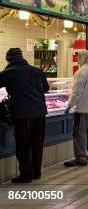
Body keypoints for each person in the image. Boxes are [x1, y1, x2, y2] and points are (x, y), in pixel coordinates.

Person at [0, 48, 49, 183]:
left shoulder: (8, 72)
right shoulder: (37, 71)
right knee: (37, 143)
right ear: (22, 57)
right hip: (40, 112)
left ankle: (26, 175)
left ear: (8, 59)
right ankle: (36, 172)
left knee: (24, 145)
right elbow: (46, 89)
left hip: (22, 113)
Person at [64, 51, 88, 167]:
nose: (77, 59)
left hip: (82, 109)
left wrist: (69, 105)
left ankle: (81, 157)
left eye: (78, 57)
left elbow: (76, 92)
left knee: (80, 133)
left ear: (84, 58)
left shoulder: (81, 72)